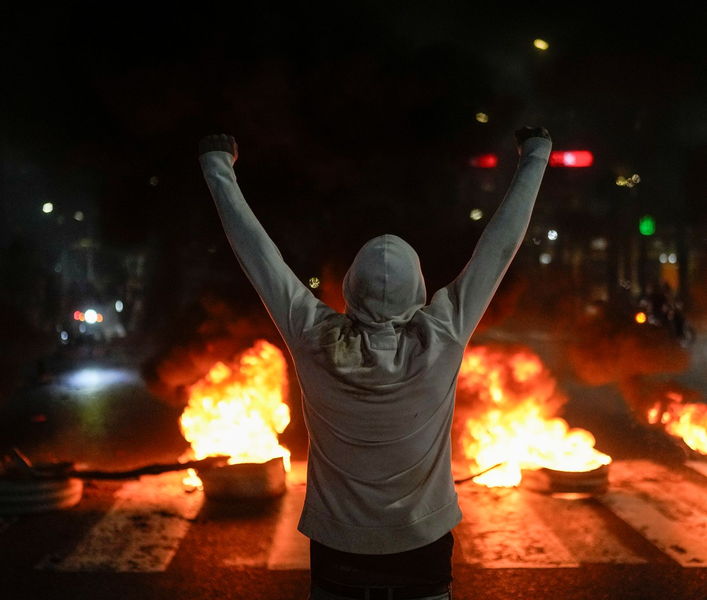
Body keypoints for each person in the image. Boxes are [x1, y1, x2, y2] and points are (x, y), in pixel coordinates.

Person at [199, 126, 551, 599]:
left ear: (351, 286)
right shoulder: (441, 336)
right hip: (422, 557)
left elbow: (259, 256)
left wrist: (217, 167)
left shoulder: (313, 337)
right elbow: (498, 248)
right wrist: (535, 157)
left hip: (337, 558)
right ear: (417, 287)